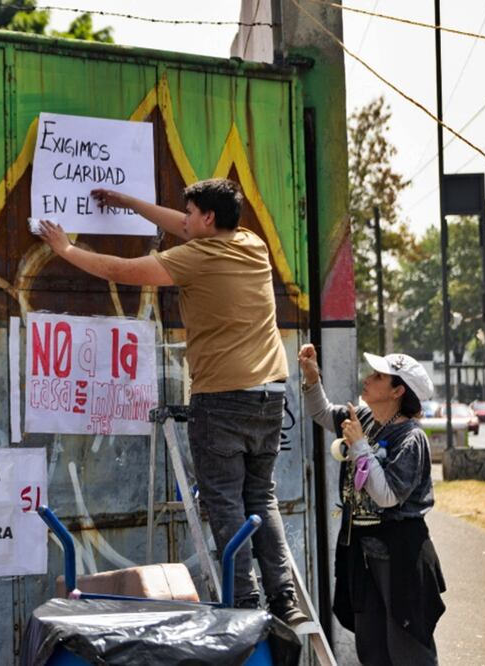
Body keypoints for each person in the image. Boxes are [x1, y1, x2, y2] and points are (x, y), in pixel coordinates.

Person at [36, 178, 306, 624]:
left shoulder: (195, 258)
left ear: (208, 218)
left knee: (225, 502)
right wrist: (128, 202)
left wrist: (65, 249)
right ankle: (285, 601)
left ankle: (245, 602)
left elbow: (122, 269)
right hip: (270, 394)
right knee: (261, 497)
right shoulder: (251, 244)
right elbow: (181, 225)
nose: (184, 221)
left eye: (191, 213)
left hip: (223, 396)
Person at [298, 344, 445, 665]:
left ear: (397, 391)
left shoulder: (411, 438)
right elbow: (323, 413)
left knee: (407, 647)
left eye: (378, 376)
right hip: (361, 552)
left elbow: (388, 495)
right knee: (371, 646)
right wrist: (311, 378)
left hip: (401, 555)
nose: (368, 378)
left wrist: (360, 446)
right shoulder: (363, 417)